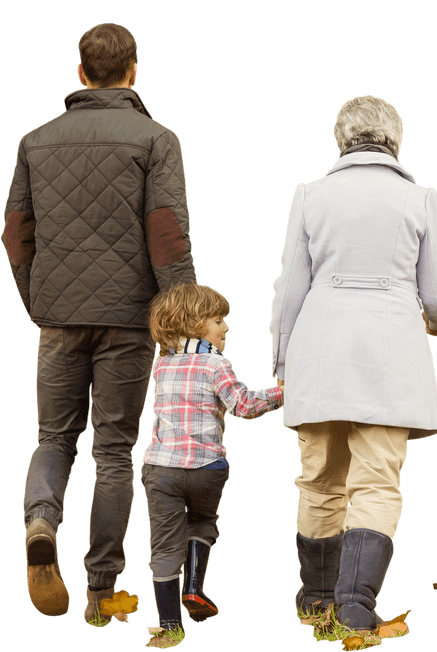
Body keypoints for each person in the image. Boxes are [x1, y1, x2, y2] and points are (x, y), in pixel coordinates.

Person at [2, 23, 196, 620]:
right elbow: (165, 234)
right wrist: (182, 318)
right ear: (134, 71)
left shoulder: (35, 140)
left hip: (59, 317)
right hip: (129, 320)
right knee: (114, 450)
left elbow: (15, 234)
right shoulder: (156, 138)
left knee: (54, 437)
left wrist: (38, 301)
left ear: (80, 73)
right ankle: (101, 590)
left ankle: (41, 520)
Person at [269, 95, 437, 630]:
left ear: (341, 140)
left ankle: (316, 599)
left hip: (319, 350)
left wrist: (283, 361)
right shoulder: (420, 200)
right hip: (391, 352)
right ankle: (356, 605)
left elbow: (290, 291)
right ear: (395, 142)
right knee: (376, 482)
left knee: (319, 481)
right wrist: (435, 324)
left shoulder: (309, 195)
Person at [141, 282, 284, 634]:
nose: (226, 327)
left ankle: (169, 625)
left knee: (163, 543)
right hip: (207, 468)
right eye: (218, 320)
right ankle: (193, 587)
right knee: (202, 522)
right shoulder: (215, 363)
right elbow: (243, 405)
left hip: (160, 468)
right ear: (194, 323)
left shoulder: (161, 365)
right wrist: (285, 392)